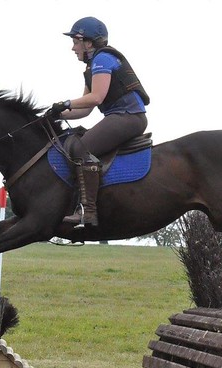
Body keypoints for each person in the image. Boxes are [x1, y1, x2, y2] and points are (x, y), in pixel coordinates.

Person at [49, 16, 150, 227]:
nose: (73, 48)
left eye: (75, 42)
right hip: (121, 117)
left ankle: (88, 211)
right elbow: (85, 109)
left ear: (88, 43)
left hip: (128, 117)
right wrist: (57, 115)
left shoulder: (103, 59)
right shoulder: (92, 66)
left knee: (80, 147)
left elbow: (96, 98)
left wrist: (65, 103)